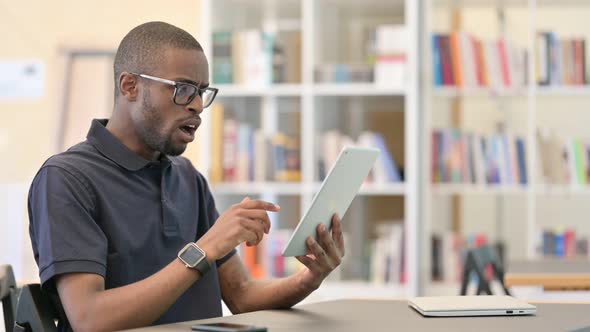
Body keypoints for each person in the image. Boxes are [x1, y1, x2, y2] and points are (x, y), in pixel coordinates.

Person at [27, 21, 345, 332]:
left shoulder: (187, 177)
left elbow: (243, 295)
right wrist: (204, 251)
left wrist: (309, 277)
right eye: (183, 89)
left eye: (202, 92)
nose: (196, 105)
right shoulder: (65, 179)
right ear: (130, 86)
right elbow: (90, 319)